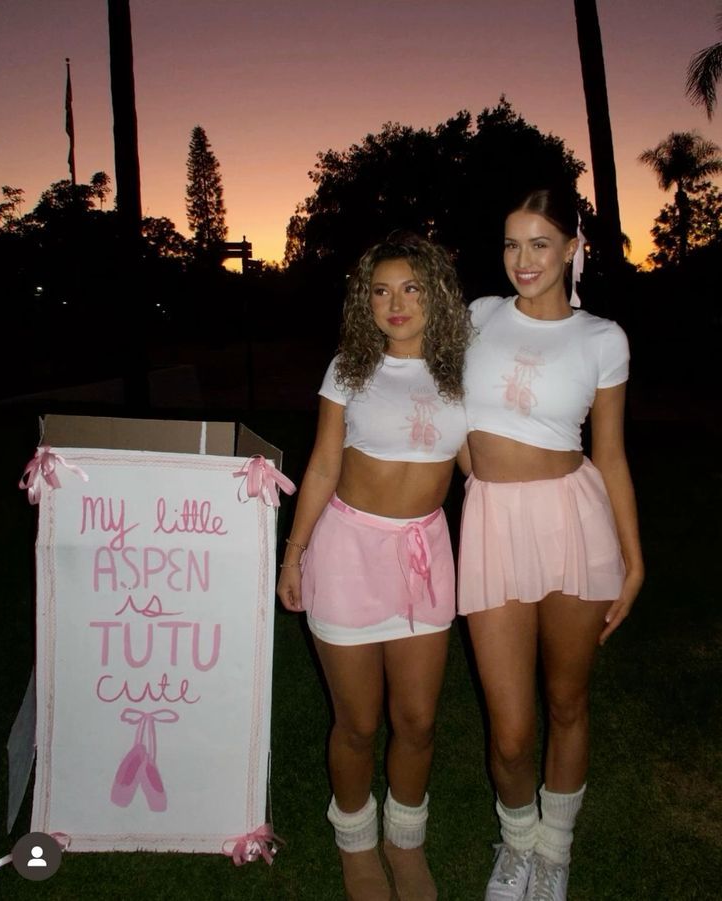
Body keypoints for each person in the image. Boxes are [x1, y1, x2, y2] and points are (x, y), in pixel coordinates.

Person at [458, 186, 644, 901]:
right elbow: (441, 402)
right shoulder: (477, 317)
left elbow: (613, 454)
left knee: (567, 702)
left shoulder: (603, 338)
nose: (523, 259)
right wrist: (469, 467)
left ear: (572, 248)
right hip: (493, 525)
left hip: (574, 520)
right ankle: (517, 839)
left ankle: (554, 850)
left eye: (540, 243)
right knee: (509, 729)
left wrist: (634, 557)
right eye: (511, 244)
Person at [277, 233, 471, 901]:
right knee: (357, 721)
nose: (396, 302)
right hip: (347, 551)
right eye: (381, 290)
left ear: (436, 296)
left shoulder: (462, 374)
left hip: (424, 556)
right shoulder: (349, 369)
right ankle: (356, 840)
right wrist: (295, 551)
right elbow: (325, 463)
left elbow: (482, 469)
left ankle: (405, 838)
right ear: (366, 301)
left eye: (411, 287)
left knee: (416, 719)